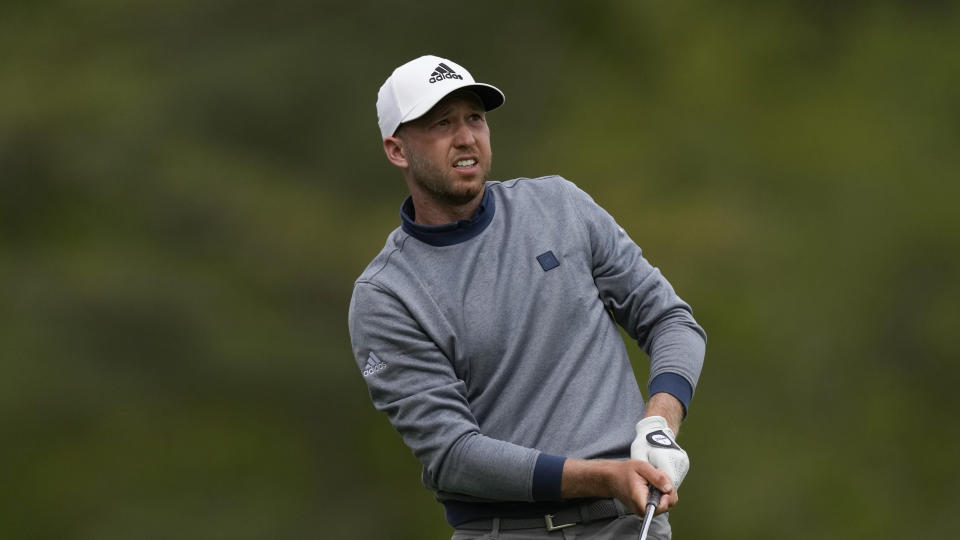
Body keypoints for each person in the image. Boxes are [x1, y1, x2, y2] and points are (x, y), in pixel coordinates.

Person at [348, 55, 706, 539]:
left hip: (627, 525)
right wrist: (603, 476)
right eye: (441, 124)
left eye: (474, 118)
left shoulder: (560, 206)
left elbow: (670, 320)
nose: (466, 137)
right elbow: (455, 455)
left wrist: (659, 422)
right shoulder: (388, 295)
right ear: (397, 150)